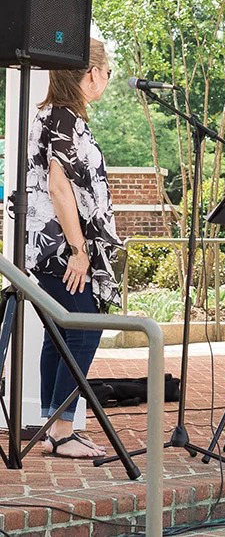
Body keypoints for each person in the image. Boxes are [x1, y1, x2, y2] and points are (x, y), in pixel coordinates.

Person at [26, 39, 121, 459]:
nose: (105, 80)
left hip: (49, 245)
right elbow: (59, 185)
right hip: (63, 247)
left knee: (61, 335)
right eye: (106, 72)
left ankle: (53, 425)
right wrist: (79, 250)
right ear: (92, 74)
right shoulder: (64, 118)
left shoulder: (50, 115)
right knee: (84, 328)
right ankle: (64, 430)